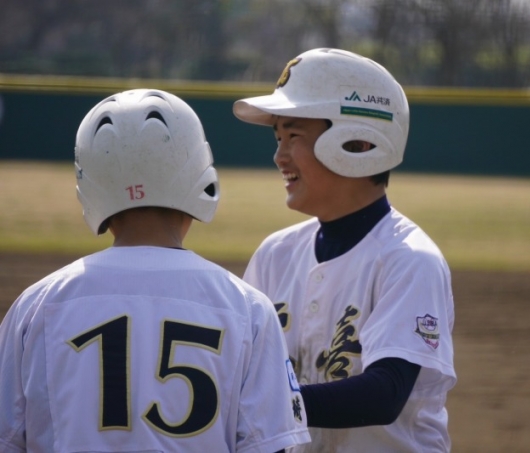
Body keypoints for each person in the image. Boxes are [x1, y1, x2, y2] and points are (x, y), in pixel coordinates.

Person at [0, 89, 310, 452]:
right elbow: (268, 445)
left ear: (88, 185)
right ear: (200, 174)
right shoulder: (248, 308)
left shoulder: (36, 306)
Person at [233, 48, 457, 452]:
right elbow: (243, 376)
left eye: (294, 136)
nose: (279, 156)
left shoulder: (408, 259)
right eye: (278, 138)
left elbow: (384, 393)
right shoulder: (275, 255)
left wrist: (261, 404)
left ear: (356, 142)